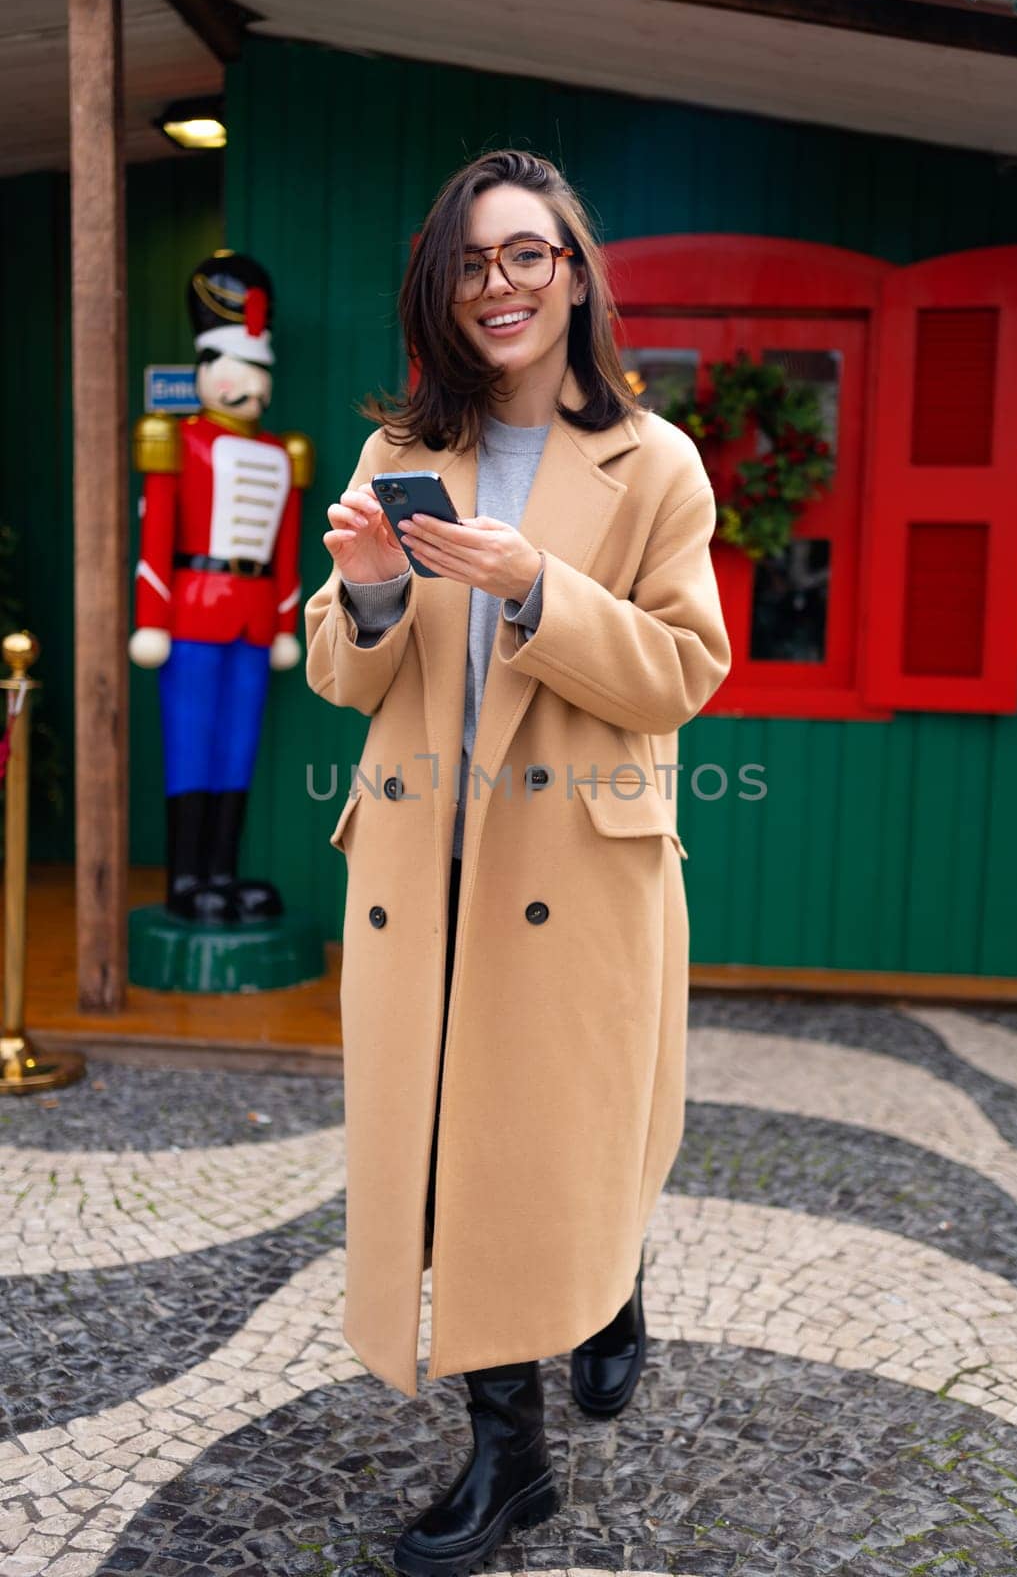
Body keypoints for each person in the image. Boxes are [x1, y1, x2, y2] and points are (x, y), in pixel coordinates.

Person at [304, 148, 731, 1576]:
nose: (500, 284)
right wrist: (368, 597)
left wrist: (538, 589)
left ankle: (605, 1280)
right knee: (446, 1158)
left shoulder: (653, 462)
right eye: (473, 261)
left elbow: (682, 670)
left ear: (573, 273)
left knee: (557, 1141)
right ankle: (509, 1452)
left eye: (526, 254)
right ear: (443, 287)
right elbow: (344, 676)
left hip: (572, 861)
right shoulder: (395, 454)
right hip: (424, 858)